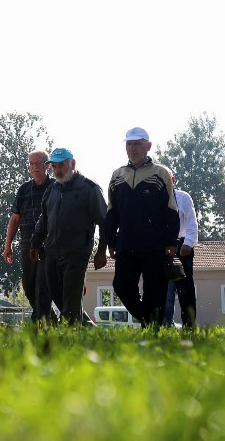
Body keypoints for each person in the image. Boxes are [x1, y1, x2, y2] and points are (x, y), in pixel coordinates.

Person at [105, 127, 179, 326]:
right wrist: (110, 242)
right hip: (126, 243)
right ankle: (147, 319)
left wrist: (171, 240)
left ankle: (152, 330)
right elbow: (112, 212)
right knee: (120, 285)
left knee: (155, 290)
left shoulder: (161, 173)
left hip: (155, 244)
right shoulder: (116, 175)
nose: (133, 148)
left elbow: (172, 208)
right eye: (129, 144)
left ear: (148, 146)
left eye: (137, 143)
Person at [29, 148, 107, 324]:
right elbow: (44, 219)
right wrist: (35, 243)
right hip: (52, 253)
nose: (57, 170)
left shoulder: (89, 188)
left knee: (70, 303)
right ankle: (87, 330)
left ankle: (69, 341)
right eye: (54, 167)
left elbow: (104, 221)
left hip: (76, 253)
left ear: (72, 164)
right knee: (60, 299)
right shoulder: (52, 190)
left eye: (61, 165)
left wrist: (101, 251)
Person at [3, 150, 54, 322]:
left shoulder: (55, 187)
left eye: (38, 163)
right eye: (31, 164)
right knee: (29, 285)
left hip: (48, 246)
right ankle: (50, 319)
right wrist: (7, 245)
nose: (34, 167)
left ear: (47, 166)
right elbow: (15, 218)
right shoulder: (24, 189)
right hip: (26, 245)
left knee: (42, 286)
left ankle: (40, 325)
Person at [164, 175, 198, 327]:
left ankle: (189, 326)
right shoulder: (155, 200)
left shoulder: (183, 197)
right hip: (162, 248)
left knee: (185, 290)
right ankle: (165, 324)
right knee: (164, 290)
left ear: (173, 179)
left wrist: (188, 243)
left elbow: (192, 223)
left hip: (182, 246)